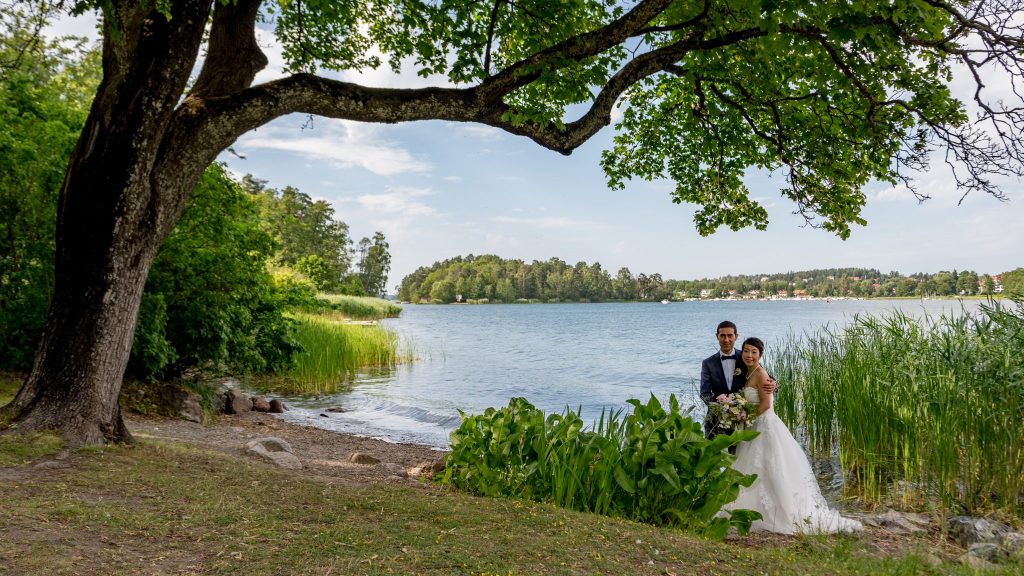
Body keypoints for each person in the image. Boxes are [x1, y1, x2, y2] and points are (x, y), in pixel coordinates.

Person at [724, 337, 863, 534]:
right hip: (752, 426)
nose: (749, 355)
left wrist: (744, 418)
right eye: (746, 351)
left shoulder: (762, 375)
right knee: (754, 467)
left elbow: (764, 405)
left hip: (762, 426)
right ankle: (750, 508)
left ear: (760, 354)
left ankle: (780, 513)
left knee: (770, 467)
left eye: (753, 352)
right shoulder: (746, 370)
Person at [700, 321, 775, 442]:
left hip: (742, 422)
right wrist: (723, 409)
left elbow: (763, 375)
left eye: (730, 335)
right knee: (712, 456)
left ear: (736, 336)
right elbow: (705, 393)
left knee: (738, 456)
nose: (726, 339)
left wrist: (774, 384)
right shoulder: (708, 363)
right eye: (722, 335)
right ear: (717, 336)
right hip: (716, 420)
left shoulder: (746, 357)